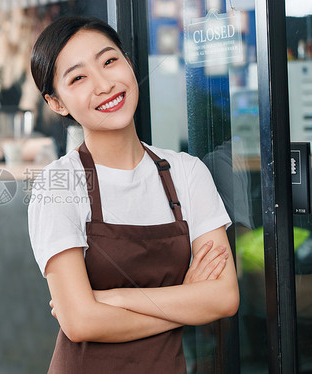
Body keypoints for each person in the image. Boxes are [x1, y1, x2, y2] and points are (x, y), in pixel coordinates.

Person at [27, 16, 239, 373]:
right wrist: (185, 302)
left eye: (109, 61)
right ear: (57, 103)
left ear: (129, 62)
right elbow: (80, 323)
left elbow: (224, 297)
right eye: (78, 78)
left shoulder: (187, 173)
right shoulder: (58, 184)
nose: (104, 84)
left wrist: (117, 299)